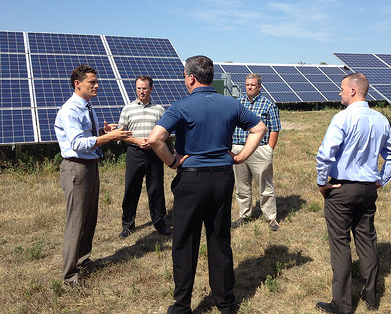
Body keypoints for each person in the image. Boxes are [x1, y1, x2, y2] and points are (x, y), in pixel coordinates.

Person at [148, 55, 267, 314]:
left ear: (191, 78)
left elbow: (155, 138)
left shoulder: (180, 106)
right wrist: (240, 157)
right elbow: (259, 128)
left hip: (192, 180)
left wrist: (172, 161)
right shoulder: (231, 104)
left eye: (184, 76)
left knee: (185, 242)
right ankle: (225, 303)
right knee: (220, 239)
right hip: (223, 178)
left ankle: (182, 306)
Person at [315, 73, 391, 314]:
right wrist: (380, 180)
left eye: (342, 88)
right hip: (367, 190)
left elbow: (325, 154)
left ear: (353, 91)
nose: (339, 92)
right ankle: (372, 298)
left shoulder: (342, 118)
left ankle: (342, 305)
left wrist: (322, 182)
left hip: (342, 189)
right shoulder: (380, 119)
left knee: (340, 244)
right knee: (367, 241)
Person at [54, 64, 132, 286]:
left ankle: (83, 260)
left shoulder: (87, 106)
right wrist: (108, 138)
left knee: (89, 218)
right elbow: (77, 143)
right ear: (78, 84)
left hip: (90, 166)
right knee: (76, 221)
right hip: (76, 168)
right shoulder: (70, 110)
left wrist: (103, 133)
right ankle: (69, 274)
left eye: (96, 82)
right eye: (92, 82)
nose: (97, 85)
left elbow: (85, 135)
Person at [117, 75, 170, 238]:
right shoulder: (128, 109)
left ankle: (159, 223)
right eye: (139, 88)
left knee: (156, 189)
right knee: (131, 188)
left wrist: (154, 143)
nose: (141, 91)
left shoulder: (159, 109)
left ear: (151, 89)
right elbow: (120, 134)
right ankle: (128, 225)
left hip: (155, 153)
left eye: (145, 88)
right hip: (135, 152)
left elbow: (166, 132)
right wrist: (137, 141)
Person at [231, 73, 281, 231]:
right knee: (241, 185)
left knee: (265, 185)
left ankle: (270, 216)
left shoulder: (268, 105)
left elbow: (274, 129)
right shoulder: (238, 103)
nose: (249, 87)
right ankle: (244, 214)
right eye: (247, 85)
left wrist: (269, 148)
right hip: (239, 148)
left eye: (252, 85)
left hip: (260, 150)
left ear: (259, 86)